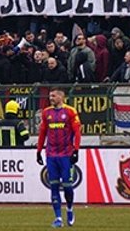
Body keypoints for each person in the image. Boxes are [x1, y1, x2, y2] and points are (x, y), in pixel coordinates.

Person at [36, 88, 81, 228]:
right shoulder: (46, 113)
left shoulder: (70, 111)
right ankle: (58, 218)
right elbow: (43, 133)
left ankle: (69, 209)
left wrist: (76, 150)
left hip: (66, 154)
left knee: (67, 186)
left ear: (61, 97)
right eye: (50, 96)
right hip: (51, 155)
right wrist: (38, 151)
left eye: (54, 96)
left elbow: (77, 132)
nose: (51, 98)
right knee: (53, 186)